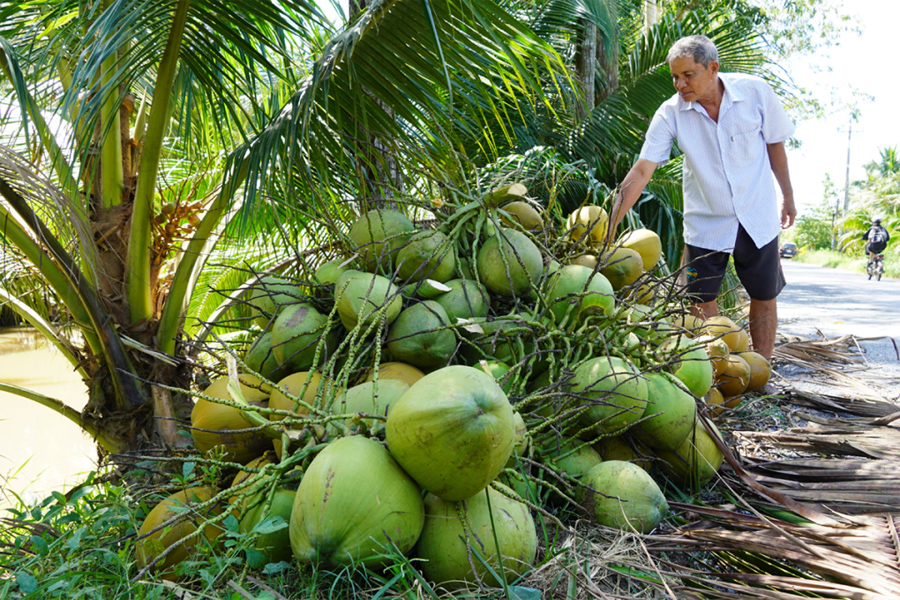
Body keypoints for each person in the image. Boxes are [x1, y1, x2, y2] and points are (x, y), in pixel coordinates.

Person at [606, 35, 795, 360]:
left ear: (713, 68)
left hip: (757, 216)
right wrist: (608, 226)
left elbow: (775, 144)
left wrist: (788, 197)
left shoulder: (755, 92)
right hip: (705, 224)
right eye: (675, 77)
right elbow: (640, 172)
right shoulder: (670, 114)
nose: (680, 84)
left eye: (688, 75)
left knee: (764, 295)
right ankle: (718, 368)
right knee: (698, 297)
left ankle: (761, 370)